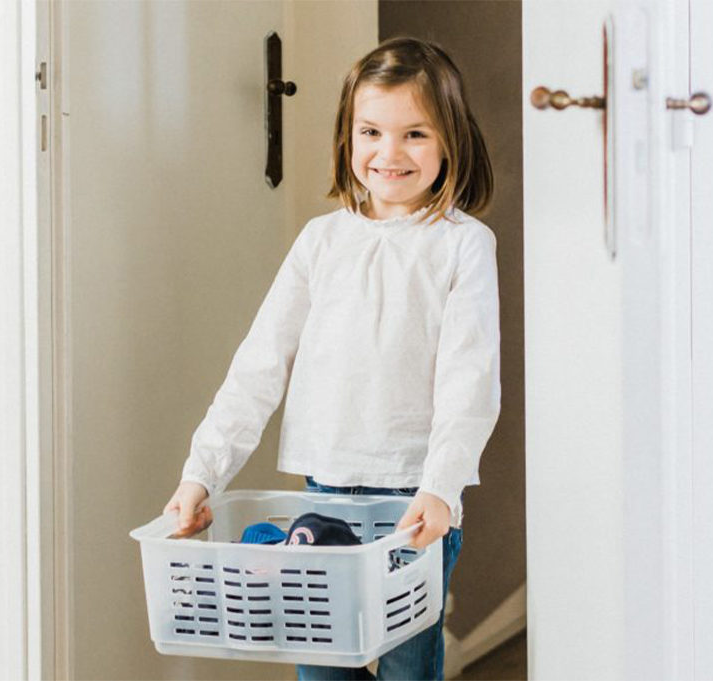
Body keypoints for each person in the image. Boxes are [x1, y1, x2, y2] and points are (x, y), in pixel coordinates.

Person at [162, 36, 499, 681]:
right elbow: (259, 364)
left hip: (413, 499)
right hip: (324, 496)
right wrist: (203, 472)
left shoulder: (463, 246)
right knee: (322, 666)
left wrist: (442, 485)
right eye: (371, 130)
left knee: (407, 665)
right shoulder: (322, 241)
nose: (389, 153)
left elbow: (470, 378)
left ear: (451, 139)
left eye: (415, 135)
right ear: (348, 135)